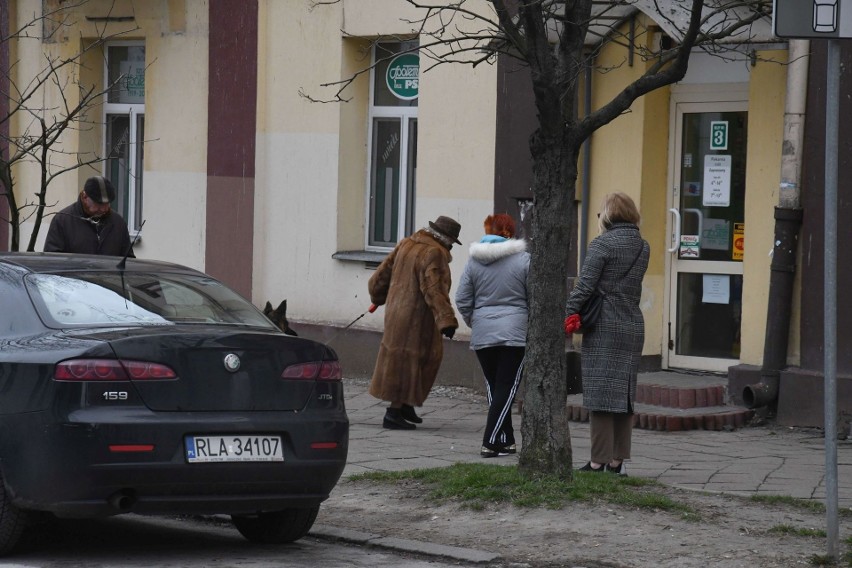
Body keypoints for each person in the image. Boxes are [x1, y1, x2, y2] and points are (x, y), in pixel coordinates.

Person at [564, 192, 649, 475]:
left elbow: (585, 286)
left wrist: (567, 312)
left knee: (600, 395)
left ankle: (598, 460)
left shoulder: (602, 244)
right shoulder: (642, 246)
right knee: (624, 395)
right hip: (632, 324)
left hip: (604, 325)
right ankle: (617, 461)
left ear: (608, 215)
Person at [368, 215, 462, 430]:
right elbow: (434, 289)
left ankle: (406, 406)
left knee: (405, 360)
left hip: (396, 313)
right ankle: (393, 412)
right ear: (447, 239)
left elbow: (380, 277)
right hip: (417, 317)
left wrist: (377, 296)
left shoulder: (407, 243)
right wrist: (446, 320)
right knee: (412, 362)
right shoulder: (434, 253)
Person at [455, 213, 530, 458]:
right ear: (509, 232)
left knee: (496, 386)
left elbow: (462, 299)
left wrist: (476, 321)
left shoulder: (473, 262)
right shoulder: (523, 260)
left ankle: (506, 440)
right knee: (506, 388)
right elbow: (534, 298)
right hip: (514, 333)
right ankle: (490, 440)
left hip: (483, 333)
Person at [44, 175, 134, 257]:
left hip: (109, 275)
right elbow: (53, 261)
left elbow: (128, 261)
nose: (103, 209)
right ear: (85, 197)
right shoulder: (62, 221)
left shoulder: (118, 223)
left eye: (107, 204)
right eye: (98, 204)